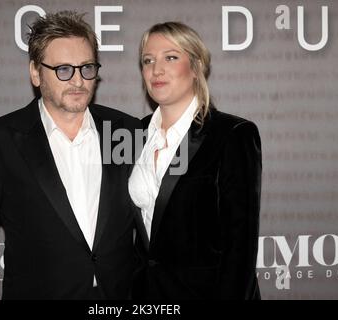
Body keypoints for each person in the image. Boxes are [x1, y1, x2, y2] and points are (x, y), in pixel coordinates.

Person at [0, 11, 140, 299]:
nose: (78, 81)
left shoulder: (127, 131)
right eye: (63, 69)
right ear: (36, 73)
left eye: (87, 68)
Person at [128, 22, 262, 299]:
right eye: (148, 60)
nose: (157, 69)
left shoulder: (232, 135)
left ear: (197, 66)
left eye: (171, 57)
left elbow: (240, 249)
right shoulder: (133, 134)